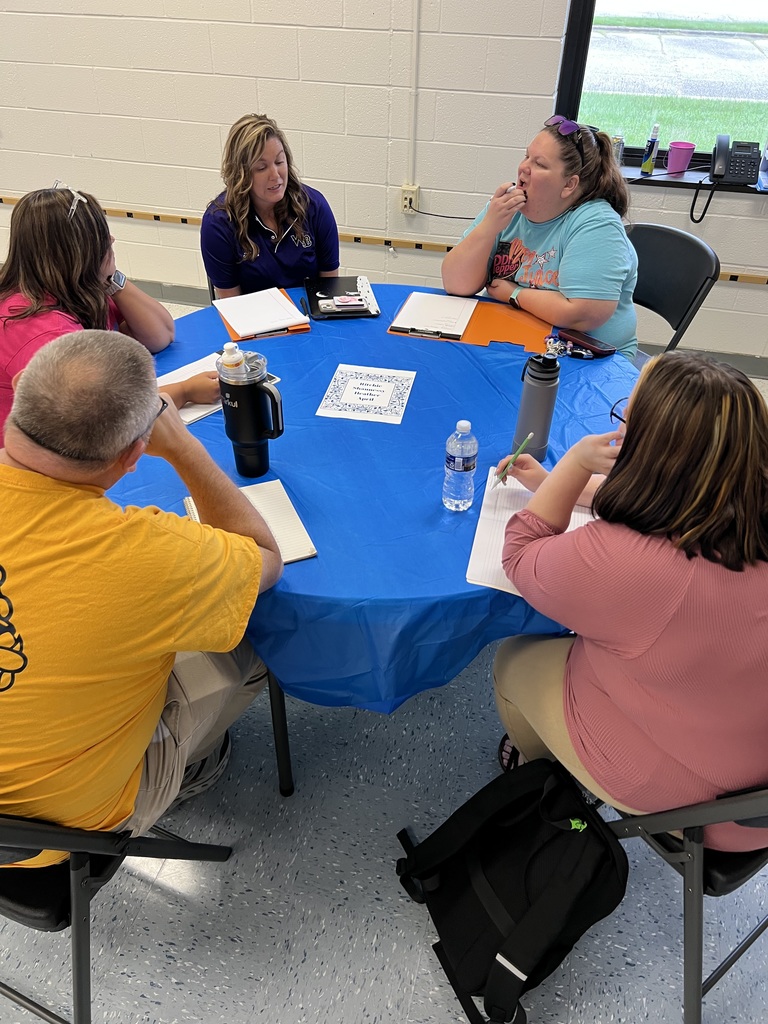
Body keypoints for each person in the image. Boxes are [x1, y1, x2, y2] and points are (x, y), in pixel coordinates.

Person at [0, 330, 283, 867]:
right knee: (251, 640)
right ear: (135, 456)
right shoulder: (147, 554)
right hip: (61, 836)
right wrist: (183, 447)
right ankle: (190, 764)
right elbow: (262, 557)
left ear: (20, 390)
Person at [492, 352, 768, 852]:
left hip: (702, 809)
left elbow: (520, 553)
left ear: (649, 445)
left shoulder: (628, 563)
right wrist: (555, 483)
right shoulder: (740, 504)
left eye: (624, 418)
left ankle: (544, 779)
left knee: (513, 658)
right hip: (756, 799)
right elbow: (668, 499)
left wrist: (574, 461)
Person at [0, 186, 219, 435]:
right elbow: (100, 417)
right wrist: (185, 392)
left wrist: (112, 278)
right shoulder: (42, 332)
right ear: (76, 253)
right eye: (100, 237)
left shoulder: (76, 288)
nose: (111, 240)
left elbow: (161, 334)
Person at [442, 115, 638, 360]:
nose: (524, 168)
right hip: (515, 344)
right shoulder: (504, 209)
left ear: (569, 184)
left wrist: (513, 294)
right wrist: (488, 227)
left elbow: (583, 314)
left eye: (539, 164)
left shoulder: (596, 223)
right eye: (526, 156)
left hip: (588, 359)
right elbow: (456, 284)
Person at [201, 113, 340, 297]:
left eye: (279, 162)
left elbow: (329, 295)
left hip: (310, 318)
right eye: (261, 167)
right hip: (254, 320)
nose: (275, 175)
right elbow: (232, 306)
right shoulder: (218, 223)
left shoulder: (314, 206)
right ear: (241, 174)